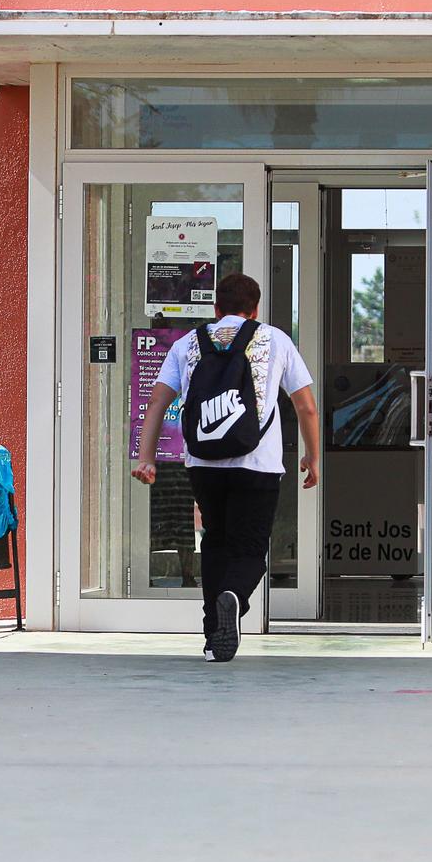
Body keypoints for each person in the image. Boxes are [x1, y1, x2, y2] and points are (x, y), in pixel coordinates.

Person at [131, 272, 320, 661]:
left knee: (215, 541)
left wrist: (146, 457)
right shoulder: (274, 339)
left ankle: (212, 637)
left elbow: (156, 403)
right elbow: (306, 406)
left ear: (215, 309)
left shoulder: (188, 344)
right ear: (255, 309)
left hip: (203, 463)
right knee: (249, 547)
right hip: (258, 464)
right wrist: (312, 456)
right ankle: (234, 596)